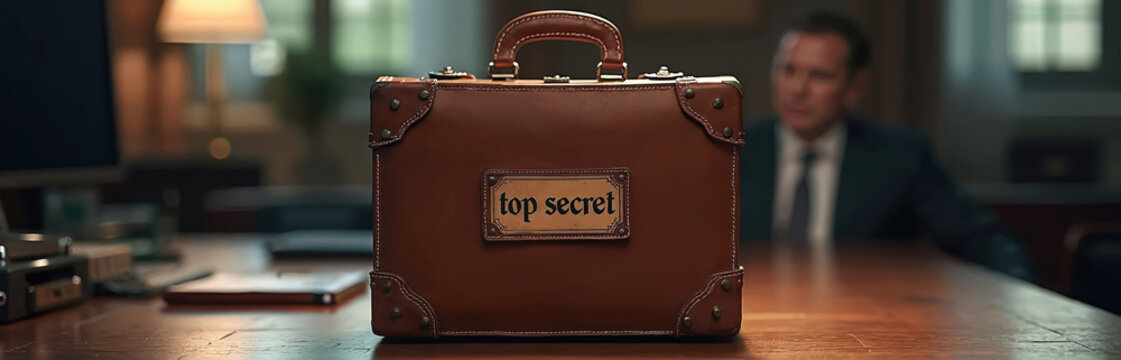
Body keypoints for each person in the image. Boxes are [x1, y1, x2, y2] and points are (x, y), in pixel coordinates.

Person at [739, 12, 1033, 280]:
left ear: (854, 89)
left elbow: (978, 237)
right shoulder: (734, 151)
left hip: (866, 316)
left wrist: (1022, 293)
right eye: (788, 70)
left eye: (819, 75)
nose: (797, 89)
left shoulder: (900, 156)